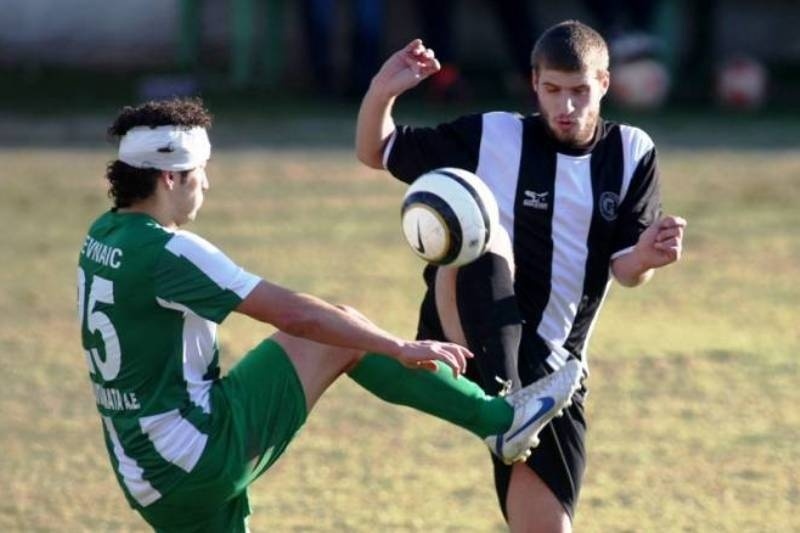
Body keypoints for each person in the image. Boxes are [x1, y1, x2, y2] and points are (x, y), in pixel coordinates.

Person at [76, 97, 583, 531]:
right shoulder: (170, 252)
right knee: (337, 330)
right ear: (168, 177)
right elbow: (297, 316)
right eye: (198, 173)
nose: (204, 185)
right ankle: (500, 419)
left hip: (143, 473)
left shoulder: (100, 236)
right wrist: (398, 347)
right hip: (195, 455)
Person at [356, 20, 686, 532]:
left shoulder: (630, 152)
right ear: (534, 84)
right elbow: (376, 150)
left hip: (555, 371)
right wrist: (383, 92)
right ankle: (503, 400)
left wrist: (646, 255)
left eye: (580, 91)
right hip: (466, 333)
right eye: (553, 91)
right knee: (472, 223)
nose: (567, 106)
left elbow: (625, 270)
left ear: (604, 83)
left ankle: (512, 415)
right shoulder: (495, 135)